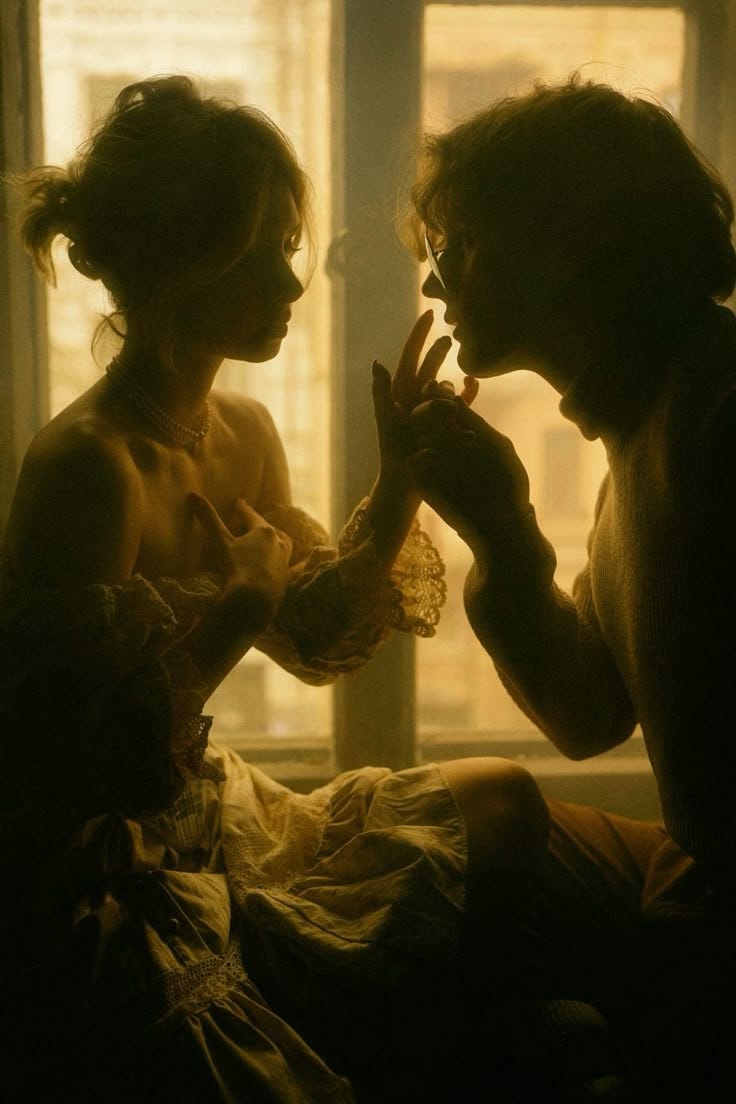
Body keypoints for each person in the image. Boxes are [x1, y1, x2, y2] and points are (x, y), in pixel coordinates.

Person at [0, 76, 551, 1103]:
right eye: (258, 250)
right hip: (89, 877)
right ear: (179, 259)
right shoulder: (87, 467)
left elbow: (318, 642)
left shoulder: (245, 431)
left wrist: (399, 481)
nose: (290, 285)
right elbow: (82, 775)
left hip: (216, 814)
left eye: (288, 247)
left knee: (504, 801)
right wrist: (238, 611)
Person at [402, 74, 736, 1098]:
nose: (433, 283)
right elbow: (589, 711)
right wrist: (501, 530)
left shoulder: (717, 420)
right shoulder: (642, 421)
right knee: (430, 839)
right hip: (693, 872)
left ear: (563, 244)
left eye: (456, 245)